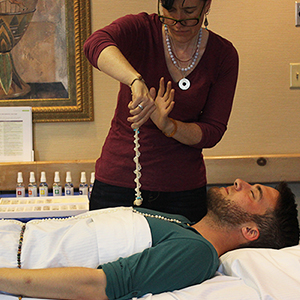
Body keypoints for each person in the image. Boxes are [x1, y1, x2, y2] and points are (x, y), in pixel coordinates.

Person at [0, 179, 298, 300]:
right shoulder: (181, 225)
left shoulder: (198, 254)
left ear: (250, 231)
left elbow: (99, 285)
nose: (240, 182)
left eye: (253, 192)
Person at [83, 0, 239, 222]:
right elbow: (94, 43)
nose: (177, 21)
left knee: (180, 256)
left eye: (188, 11)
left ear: (207, 5)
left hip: (182, 191)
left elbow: (212, 131)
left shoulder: (223, 54)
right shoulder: (142, 29)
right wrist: (135, 80)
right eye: (169, 10)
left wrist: (168, 125)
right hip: (119, 183)